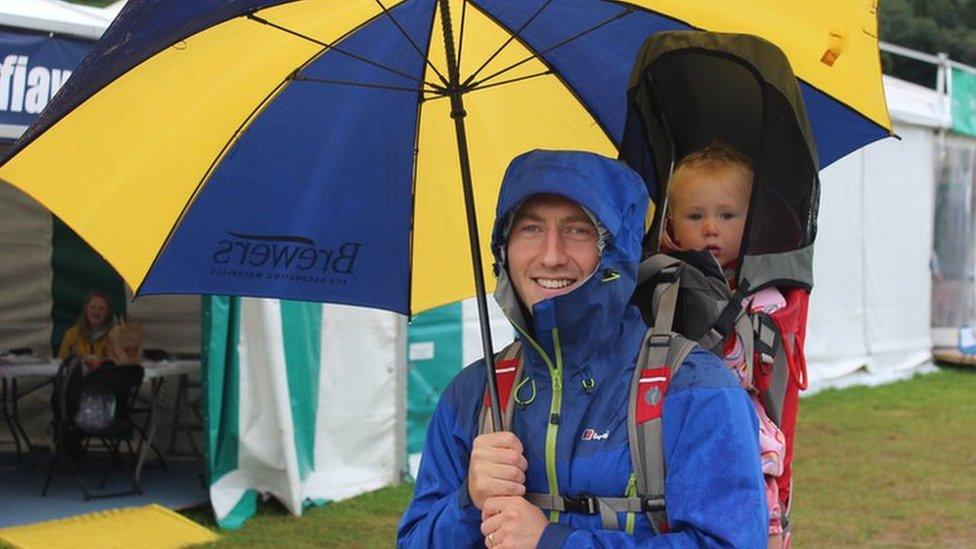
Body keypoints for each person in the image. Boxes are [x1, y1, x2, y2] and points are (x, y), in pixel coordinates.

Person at [398, 149, 767, 547]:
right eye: (530, 229)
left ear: (616, 252)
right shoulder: (472, 395)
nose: (552, 256)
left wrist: (554, 542)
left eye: (577, 230)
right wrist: (467, 502)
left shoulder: (695, 389)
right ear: (503, 250)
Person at [661, 142, 787, 547]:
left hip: (742, 420)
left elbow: (757, 368)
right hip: (679, 416)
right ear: (673, 225)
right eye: (695, 216)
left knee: (748, 489)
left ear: (751, 221)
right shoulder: (664, 288)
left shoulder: (764, 298)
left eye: (726, 215)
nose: (710, 227)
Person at [57, 290, 114, 360]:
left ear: (108, 312)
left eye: (102, 309)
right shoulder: (72, 334)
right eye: (93, 307)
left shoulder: (116, 335)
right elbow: (61, 361)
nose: (96, 312)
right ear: (86, 310)